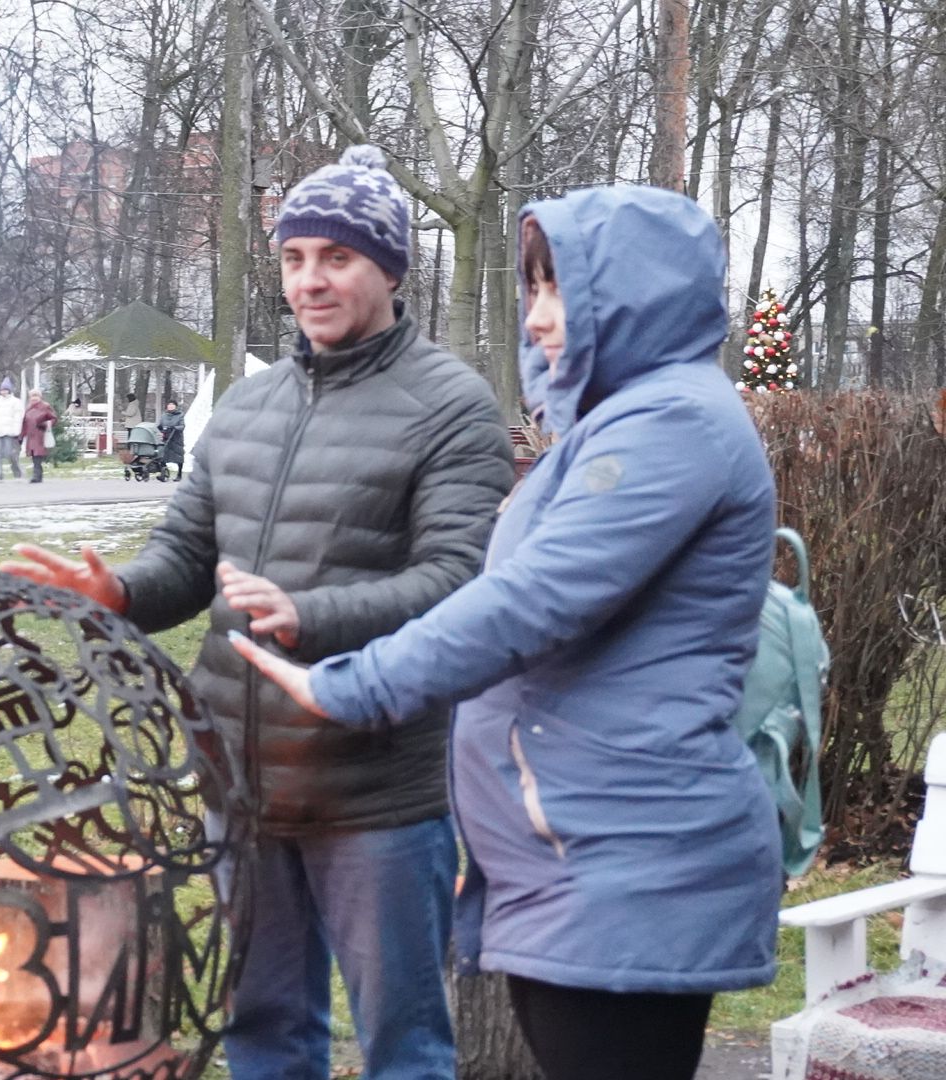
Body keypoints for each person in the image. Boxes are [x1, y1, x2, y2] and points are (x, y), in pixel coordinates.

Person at [231, 186, 783, 1080]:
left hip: (629, 854)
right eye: (532, 290)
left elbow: (532, 598)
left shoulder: (672, 424)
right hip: (578, 848)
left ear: (636, 295)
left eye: (563, 290)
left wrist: (354, 683)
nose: (541, 319)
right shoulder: (613, 425)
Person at [3, 144, 513, 1080]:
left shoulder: (452, 406)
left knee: (404, 1042)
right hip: (237, 781)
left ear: (389, 268)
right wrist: (114, 594)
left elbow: (463, 583)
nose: (310, 281)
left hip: (376, 793)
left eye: (337, 258)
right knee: (261, 1030)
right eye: (293, 258)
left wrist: (308, 614)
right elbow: (187, 562)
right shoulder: (245, 407)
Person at [0, 377, 24, 483]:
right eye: (2, 390)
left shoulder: (16, 402)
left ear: (9, 390)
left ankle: (17, 471)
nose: (3, 392)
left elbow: (18, 417)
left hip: (9, 431)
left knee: (9, 453)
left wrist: (16, 431)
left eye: (5, 389)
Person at [20, 388, 57, 484]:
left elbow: (53, 418)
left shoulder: (45, 406)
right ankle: (38, 475)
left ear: (40, 397)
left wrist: (45, 424)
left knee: (37, 455)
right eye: (32, 396)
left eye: (36, 396)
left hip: (40, 434)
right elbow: (24, 423)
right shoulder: (28, 408)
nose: (34, 398)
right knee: (33, 455)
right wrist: (21, 436)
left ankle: (36, 475)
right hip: (30, 435)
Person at [156, 399, 185, 481]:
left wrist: (175, 428)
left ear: (175, 406)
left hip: (176, 438)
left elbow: (182, 426)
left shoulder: (180, 415)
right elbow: (160, 425)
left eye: (172, 405)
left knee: (178, 457)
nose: (170, 406)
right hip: (166, 437)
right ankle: (163, 473)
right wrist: (160, 429)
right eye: (169, 404)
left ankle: (179, 475)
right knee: (162, 456)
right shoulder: (164, 415)